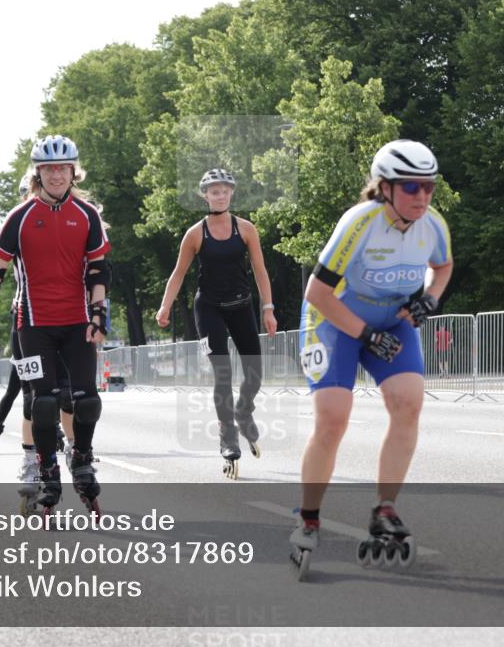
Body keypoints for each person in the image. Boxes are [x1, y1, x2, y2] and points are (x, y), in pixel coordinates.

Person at [290, 139, 453, 572]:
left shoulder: (433, 224)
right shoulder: (359, 223)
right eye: (411, 187)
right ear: (384, 188)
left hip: (390, 319)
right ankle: (308, 518)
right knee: (333, 417)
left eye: (428, 187)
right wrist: (366, 335)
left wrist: (431, 300)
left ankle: (385, 508)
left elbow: (444, 266)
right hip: (334, 318)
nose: (421, 197)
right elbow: (317, 292)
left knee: (408, 405)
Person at [0, 135, 110, 518]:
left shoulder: (87, 215)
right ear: (38, 173)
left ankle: (81, 457)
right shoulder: (20, 217)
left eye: (63, 169)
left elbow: (99, 268)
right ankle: (47, 468)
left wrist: (99, 313)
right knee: (43, 403)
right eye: (49, 169)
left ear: (72, 171)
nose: (56, 175)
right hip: (32, 323)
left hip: (77, 321)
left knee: (87, 401)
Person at [156, 168, 277, 480]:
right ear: (204, 195)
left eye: (224, 190)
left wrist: (268, 308)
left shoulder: (246, 229)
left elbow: (261, 271)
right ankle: (228, 440)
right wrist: (165, 306)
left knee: (254, 374)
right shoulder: (196, 234)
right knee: (222, 373)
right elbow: (179, 273)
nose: (219, 195)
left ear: (231, 193)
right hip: (209, 309)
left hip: (241, 307)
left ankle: (243, 410)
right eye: (214, 191)